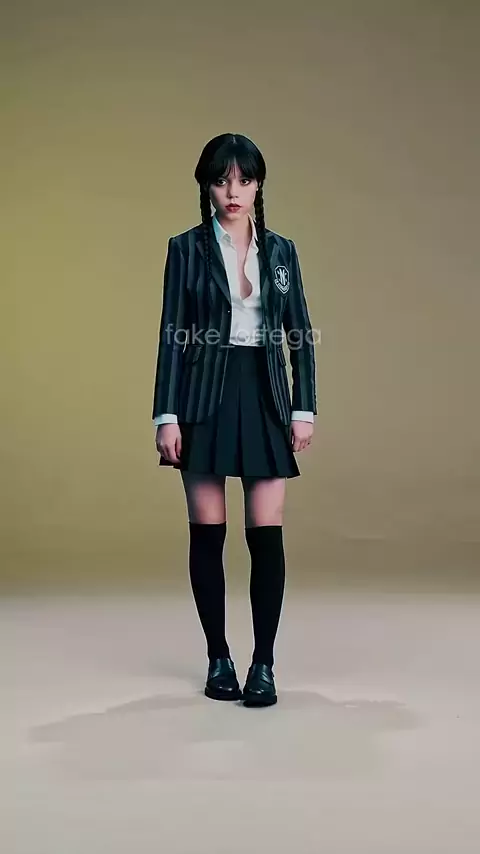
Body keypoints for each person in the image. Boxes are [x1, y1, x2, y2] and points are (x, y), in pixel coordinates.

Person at [152, 133, 317, 707]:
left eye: (244, 180)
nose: (233, 191)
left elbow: (300, 336)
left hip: (266, 396)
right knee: (208, 532)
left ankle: (263, 664)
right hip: (202, 397)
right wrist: (166, 415)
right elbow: (172, 336)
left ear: (258, 184)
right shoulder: (185, 248)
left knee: (266, 536)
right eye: (222, 180)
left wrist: (303, 408)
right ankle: (218, 657)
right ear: (206, 185)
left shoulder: (282, 251)